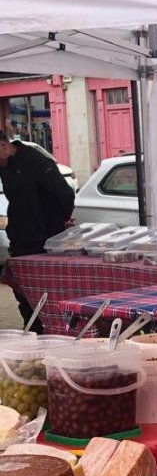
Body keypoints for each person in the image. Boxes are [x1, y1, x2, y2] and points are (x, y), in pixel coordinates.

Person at [0, 130, 76, 330]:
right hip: (19, 238)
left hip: (43, 239)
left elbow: (65, 194)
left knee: (44, 294)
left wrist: (61, 220)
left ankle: (44, 331)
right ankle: (31, 331)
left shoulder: (34, 161)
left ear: (3, 145)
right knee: (23, 293)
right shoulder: (5, 165)